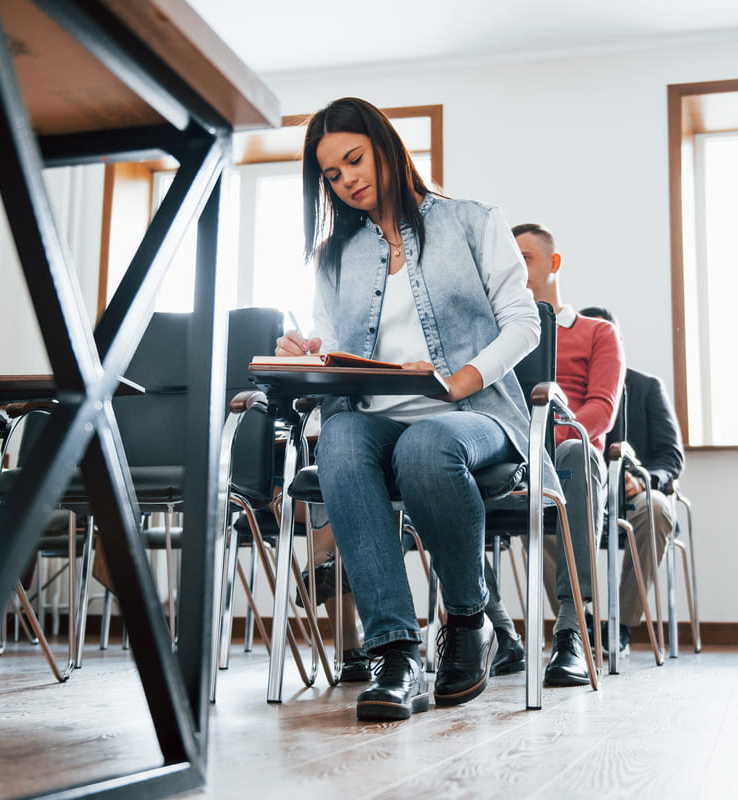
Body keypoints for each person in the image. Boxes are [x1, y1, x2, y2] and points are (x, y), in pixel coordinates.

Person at [276, 97, 542, 721]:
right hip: (376, 422)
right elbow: (334, 349)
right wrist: (308, 353)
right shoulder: (333, 257)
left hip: (476, 416)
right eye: (332, 175)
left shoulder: (474, 221)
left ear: (385, 145)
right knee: (339, 438)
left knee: (428, 444)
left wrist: (459, 380)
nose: (348, 180)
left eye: (354, 159)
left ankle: (469, 620)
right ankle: (395, 653)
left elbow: (523, 322)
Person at [513, 224, 625, 685]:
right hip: (515, 457)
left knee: (575, 452)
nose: (515, 270)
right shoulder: (499, 336)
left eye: (525, 259)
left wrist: (547, 440)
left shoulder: (598, 332)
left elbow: (600, 409)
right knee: (442, 457)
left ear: (553, 264)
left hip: (573, 458)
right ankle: (496, 628)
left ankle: (572, 629)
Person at [578, 306, 684, 656]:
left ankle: (620, 625)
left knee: (656, 509)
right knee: (546, 514)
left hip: (636, 496)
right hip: (584, 493)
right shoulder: (568, 391)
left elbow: (671, 457)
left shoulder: (648, 387)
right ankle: (579, 621)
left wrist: (643, 479)